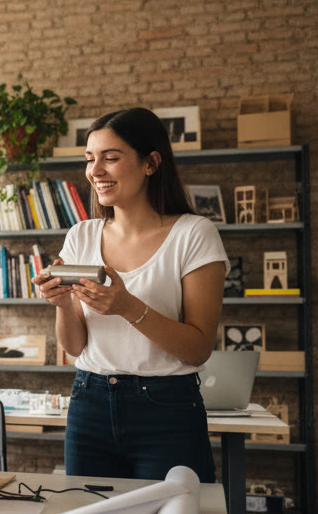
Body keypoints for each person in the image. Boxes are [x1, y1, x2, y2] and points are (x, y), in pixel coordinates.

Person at [33, 107, 226, 482]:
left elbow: (199, 348)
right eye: (90, 159)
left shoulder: (194, 234)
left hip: (167, 409)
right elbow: (74, 346)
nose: (95, 171)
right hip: (89, 401)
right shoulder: (81, 235)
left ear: (151, 162)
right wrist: (62, 304)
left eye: (111, 158)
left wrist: (128, 307)